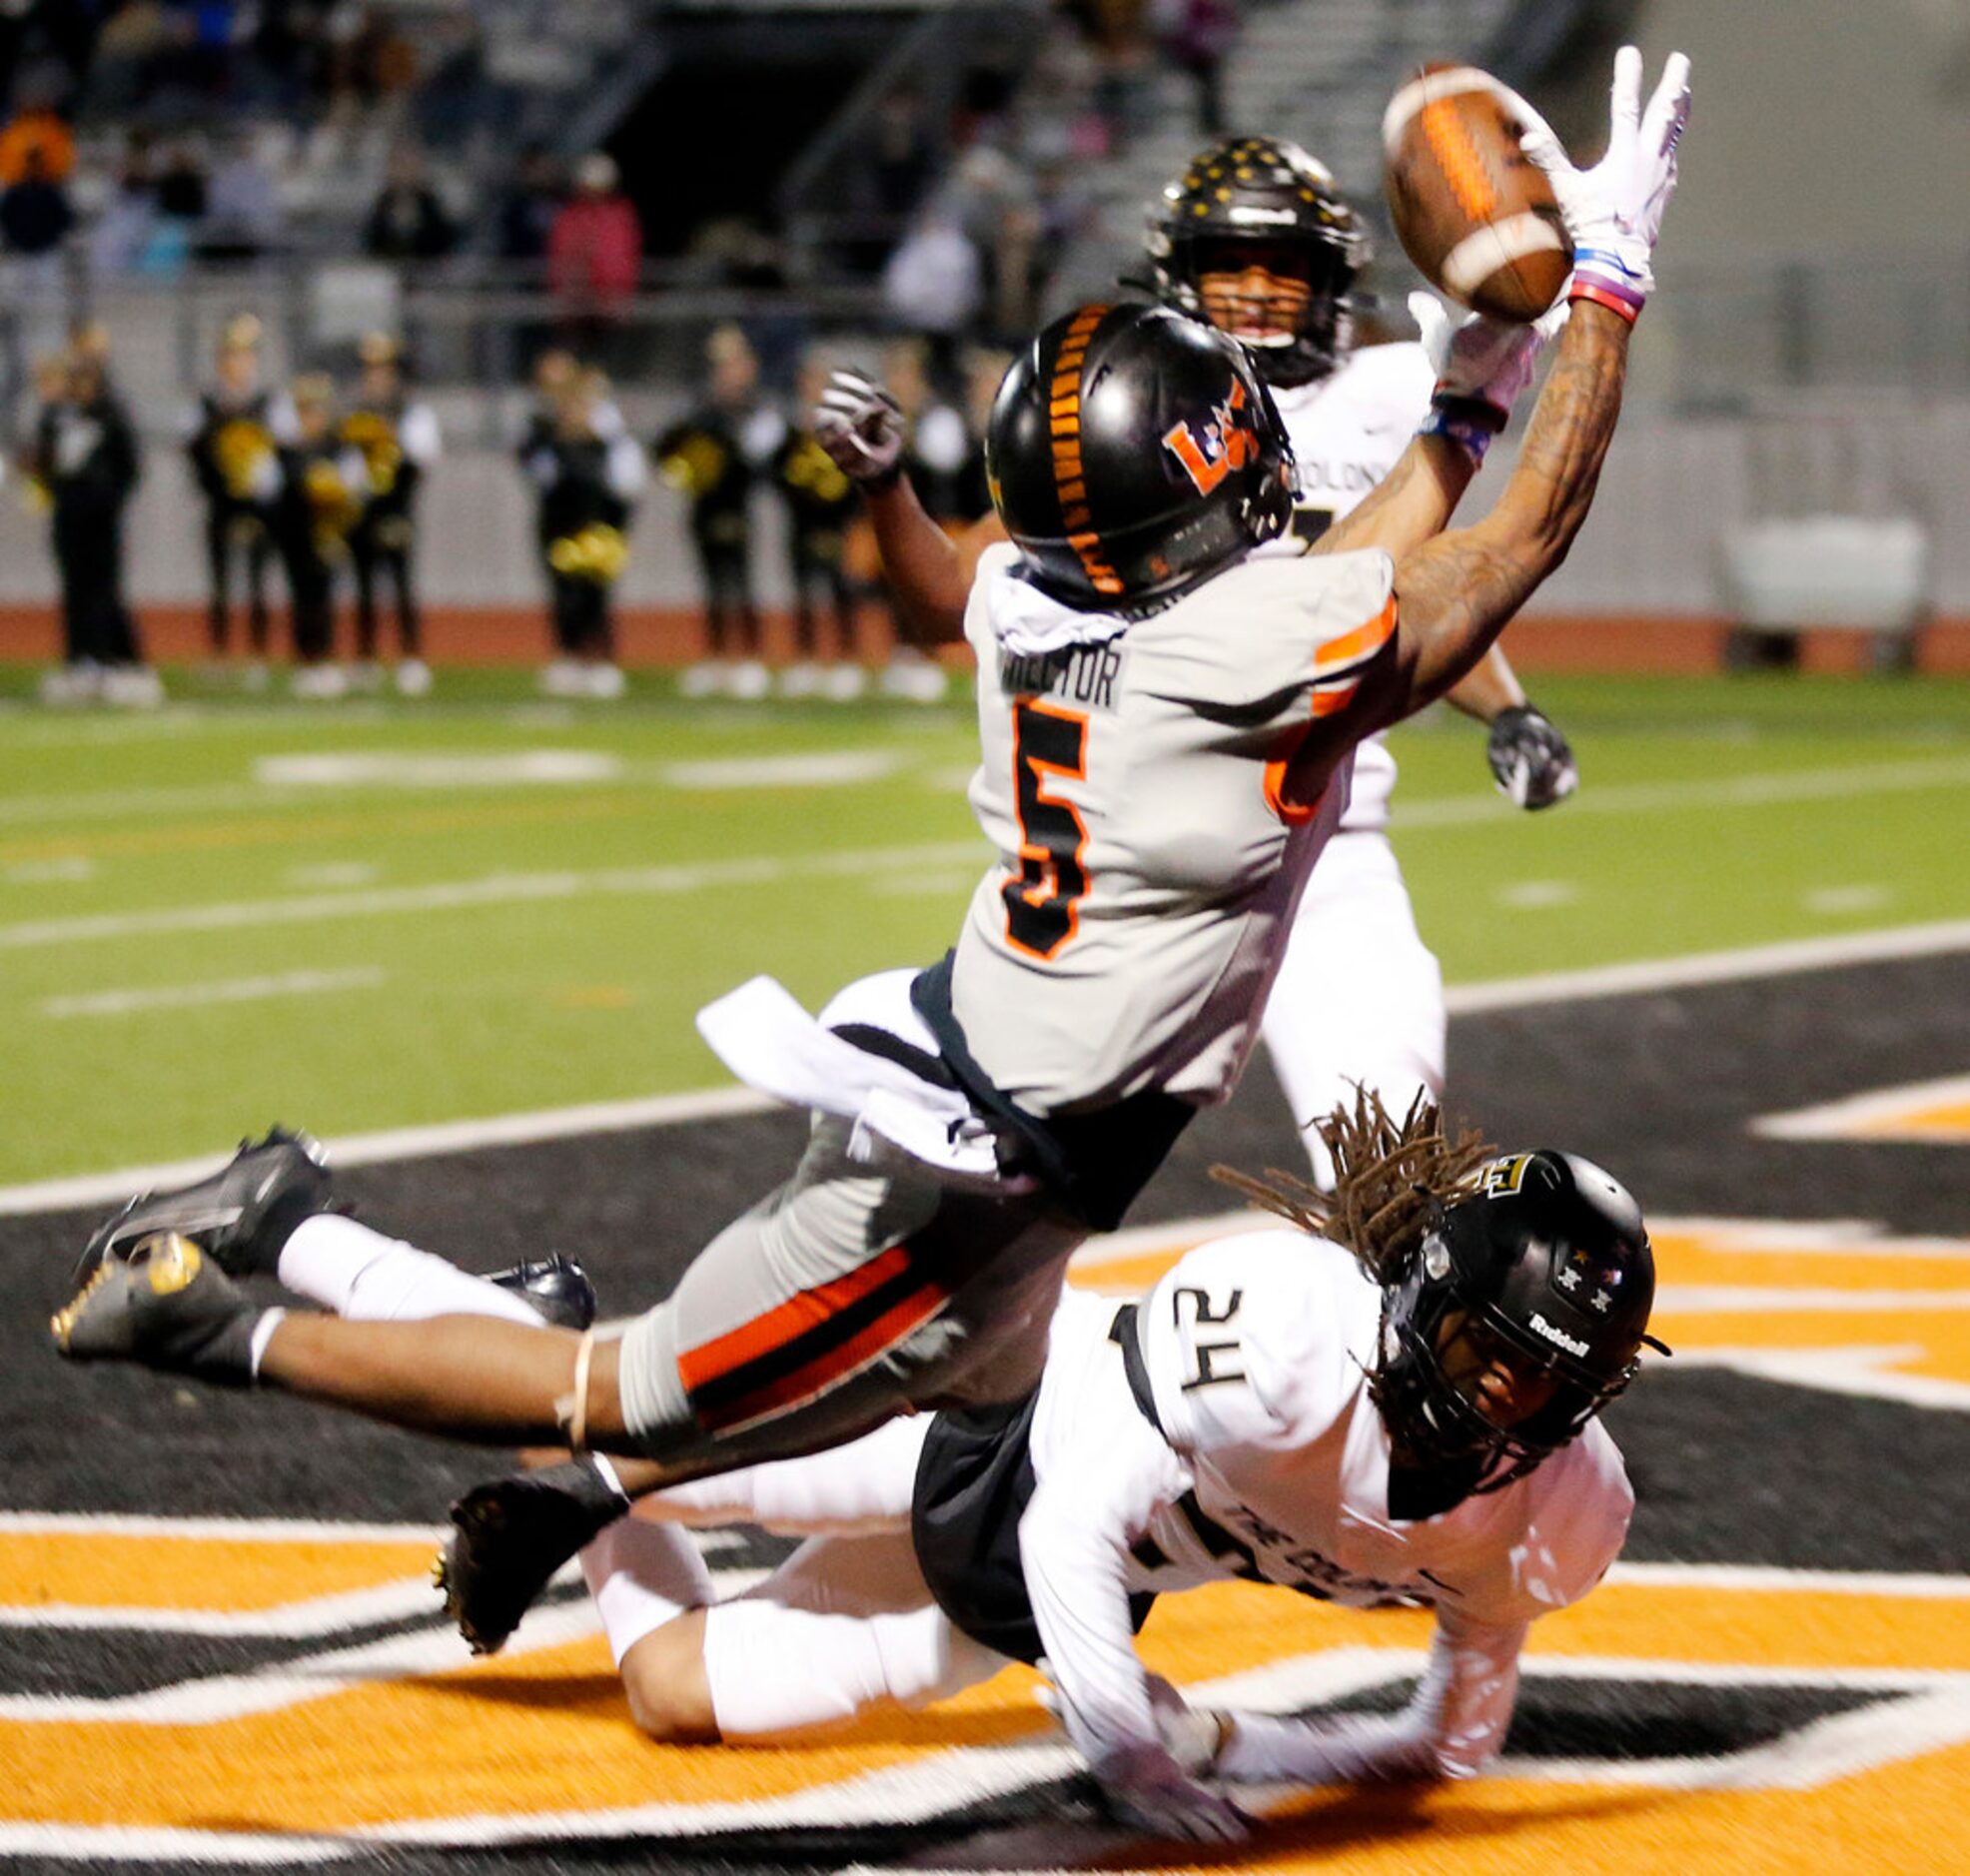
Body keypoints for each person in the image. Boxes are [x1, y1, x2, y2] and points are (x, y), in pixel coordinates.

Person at [51, 50, 1690, 1695]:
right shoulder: (1232, 649)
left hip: (999, 1116)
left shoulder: (1031, 605)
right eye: (1212, 437)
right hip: (961, 1193)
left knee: (936, 1452)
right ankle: (217, 1315)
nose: (1248, 454)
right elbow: (1508, 545)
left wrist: (1470, 388)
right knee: (615, 1396)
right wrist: (1597, 293)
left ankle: (358, 1280)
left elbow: (1331, 578)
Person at [62, 1098, 1656, 1840]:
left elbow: (1450, 1733)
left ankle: (553, 1407)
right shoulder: (1291, 1340)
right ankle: (282, 1231)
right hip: (980, 1432)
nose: (1504, 1403)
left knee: (678, 1693)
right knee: (620, 1428)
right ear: (1415, 1304)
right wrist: (1140, 1746)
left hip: (1021, 1597)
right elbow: (1080, 1509)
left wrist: (1255, 1739)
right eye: (1488, 1354)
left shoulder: (1553, 1511)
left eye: (1550, 1386)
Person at [819, 133, 1585, 1187]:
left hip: (1328, 832)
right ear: (1180, 268)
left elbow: (1409, 604)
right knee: (1009, 1188)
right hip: (1145, 861)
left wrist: (1506, 706)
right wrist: (886, 491)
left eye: (1287, 267)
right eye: (1232, 263)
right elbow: (964, 591)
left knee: (1388, 1176)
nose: (1261, 292)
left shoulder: (1385, 384)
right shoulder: (1128, 392)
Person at [30, 329, 158, 707]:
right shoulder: (56, 416)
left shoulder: (112, 415)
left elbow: (130, 468)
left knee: (105, 591)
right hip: (68, 518)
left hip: (102, 520)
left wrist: (109, 500)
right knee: (74, 590)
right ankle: (79, 661)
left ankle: (116, 661)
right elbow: (45, 464)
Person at [654, 325, 770, 699]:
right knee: (713, 584)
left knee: (740, 580)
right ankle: (718, 657)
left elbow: (760, 460)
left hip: (736, 506)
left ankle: (750, 656)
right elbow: (670, 452)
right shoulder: (700, 410)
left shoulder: (754, 411)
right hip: (705, 505)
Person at [521, 366, 645, 698]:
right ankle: (568, 654)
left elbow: (627, 486)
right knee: (564, 593)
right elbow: (534, 474)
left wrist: (615, 527)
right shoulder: (549, 442)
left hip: (597, 527)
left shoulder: (608, 444)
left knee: (596, 594)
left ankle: (602, 657)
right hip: (561, 526)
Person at [341, 332, 440, 695]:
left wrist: (389, 436)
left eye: (382, 371)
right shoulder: (355, 413)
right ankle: (365, 656)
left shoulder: (411, 412)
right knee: (363, 585)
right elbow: (346, 464)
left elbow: (423, 456)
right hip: (362, 508)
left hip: (397, 508)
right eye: (371, 372)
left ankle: (410, 656)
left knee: (401, 584)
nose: (376, 379)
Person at [185, 314, 282, 680]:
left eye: (242, 357)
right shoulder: (209, 403)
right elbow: (193, 448)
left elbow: (280, 452)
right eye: (230, 357)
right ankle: (221, 653)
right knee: (221, 580)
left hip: (257, 504)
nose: (236, 365)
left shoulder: (268, 401)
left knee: (258, 580)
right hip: (221, 501)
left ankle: (258, 655)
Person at [771, 353, 866, 699]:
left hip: (836, 525)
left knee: (841, 592)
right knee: (804, 593)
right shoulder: (791, 430)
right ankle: (807, 658)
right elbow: (777, 473)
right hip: (802, 524)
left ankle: (847, 658)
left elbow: (858, 477)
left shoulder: (843, 432)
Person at [271, 374, 366, 699]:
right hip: (296, 533)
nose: (312, 417)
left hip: (328, 533)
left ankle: (324, 657)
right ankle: (304, 659)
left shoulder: (338, 446)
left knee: (324, 595)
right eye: (306, 411)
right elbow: (277, 490)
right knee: (300, 595)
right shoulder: (287, 450)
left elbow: (355, 487)